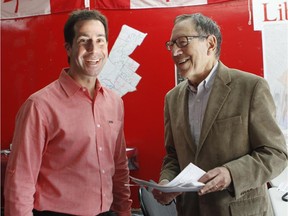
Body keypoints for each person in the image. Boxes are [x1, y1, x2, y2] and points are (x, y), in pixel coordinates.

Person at [152, 13, 287, 215]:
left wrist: (231, 173)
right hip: (191, 210)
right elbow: (173, 156)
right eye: (171, 45)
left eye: (182, 42)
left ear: (210, 43)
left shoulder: (251, 87)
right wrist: (167, 181)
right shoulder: (172, 98)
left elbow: (276, 154)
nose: (175, 52)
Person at [4, 9, 132, 216]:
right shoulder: (40, 105)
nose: (94, 49)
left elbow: (119, 166)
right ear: (69, 48)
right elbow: (20, 178)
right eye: (84, 41)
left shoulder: (114, 102)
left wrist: (124, 210)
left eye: (100, 41)